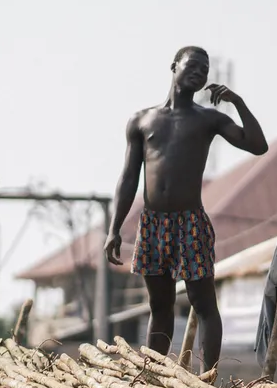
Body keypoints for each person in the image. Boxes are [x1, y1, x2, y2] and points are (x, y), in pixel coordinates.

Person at [104, 47, 268, 366]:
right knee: (160, 305)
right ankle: (153, 374)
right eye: (193, 65)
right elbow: (128, 179)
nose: (200, 72)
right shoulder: (142, 120)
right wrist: (114, 229)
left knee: (203, 301)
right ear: (174, 66)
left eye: (205, 69)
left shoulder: (209, 119)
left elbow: (258, 145)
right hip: (151, 223)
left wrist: (238, 102)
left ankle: (208, 377)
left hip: (190, 221)